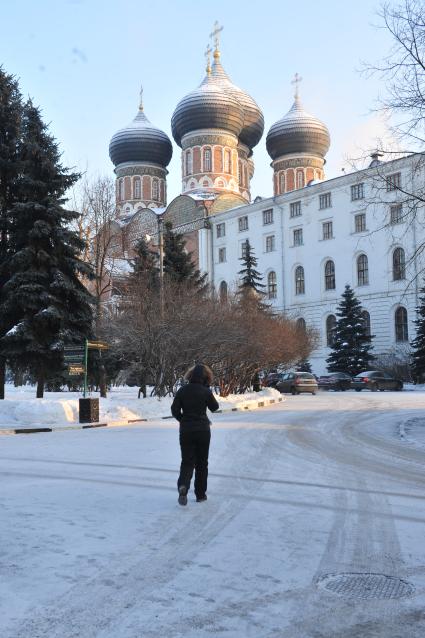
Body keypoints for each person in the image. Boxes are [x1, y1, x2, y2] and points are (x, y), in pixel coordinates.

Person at [171, 363, 219, 506]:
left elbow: (174, 410)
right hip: (203, 430)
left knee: (187, 461)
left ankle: (183, 485)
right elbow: (215, 407)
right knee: (202, 463)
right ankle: (200, 495)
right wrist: (207, 391)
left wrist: (183, 420)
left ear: (190, 376)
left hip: (186, 431)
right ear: (206, 377)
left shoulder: (182, 390)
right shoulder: (205, 391)